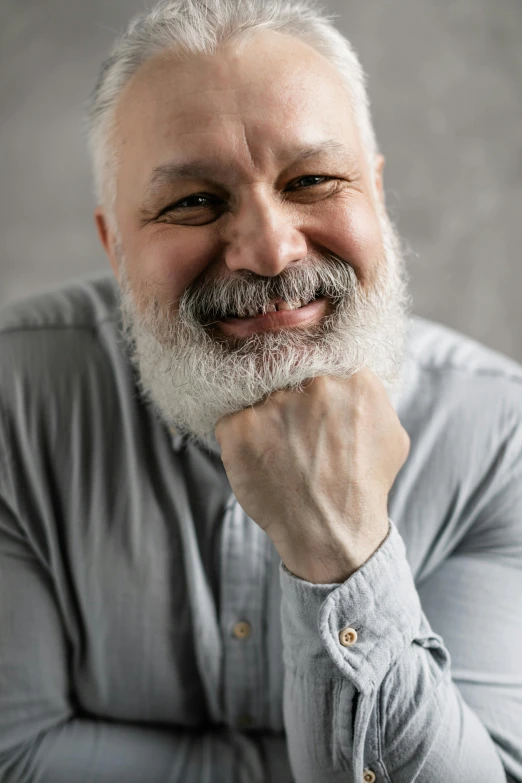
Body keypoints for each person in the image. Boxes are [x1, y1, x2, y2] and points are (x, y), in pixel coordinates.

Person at [0, 0, 521, 780]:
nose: (272, 252)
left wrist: (342, 553)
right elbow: (16, 757)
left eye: (312, 180)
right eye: (194, 202)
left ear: (373, 196)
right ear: (115, 244)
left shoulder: (499, 435)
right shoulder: (12, 402)